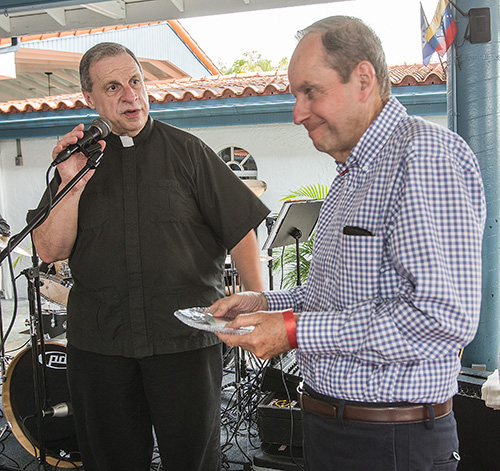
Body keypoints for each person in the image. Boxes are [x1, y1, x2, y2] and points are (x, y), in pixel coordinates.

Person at [211, 16, 486, 471]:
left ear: (363, 80)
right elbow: (332, 297)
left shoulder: (423, 155)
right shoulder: (348, 176)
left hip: (390, 442)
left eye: (311, 91)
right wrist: (261, 301)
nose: (297, 112)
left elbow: (442, 318)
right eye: (295, 96)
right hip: (335, 429)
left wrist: (294, 331)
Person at [31, 42, 269, 471]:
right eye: (113, 86)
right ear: (90, 98)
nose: (130, 95)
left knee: (193, 462)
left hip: (183, 344)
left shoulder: (187, 151)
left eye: (136, 81)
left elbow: (241, 230)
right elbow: (49, 249)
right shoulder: (77, 162)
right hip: (101, 346)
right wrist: (73, 180)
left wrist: (259, 307)